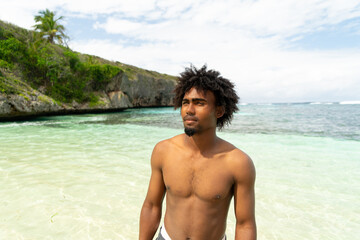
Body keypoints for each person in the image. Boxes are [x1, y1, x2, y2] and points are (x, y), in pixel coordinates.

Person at [139, 65, 256, 240]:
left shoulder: (238, 163)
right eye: (185, 102)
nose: (189, 110)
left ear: (219, 111)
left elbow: (245, 224)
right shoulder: (163, 151)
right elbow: (151, 206)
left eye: (199, 103)